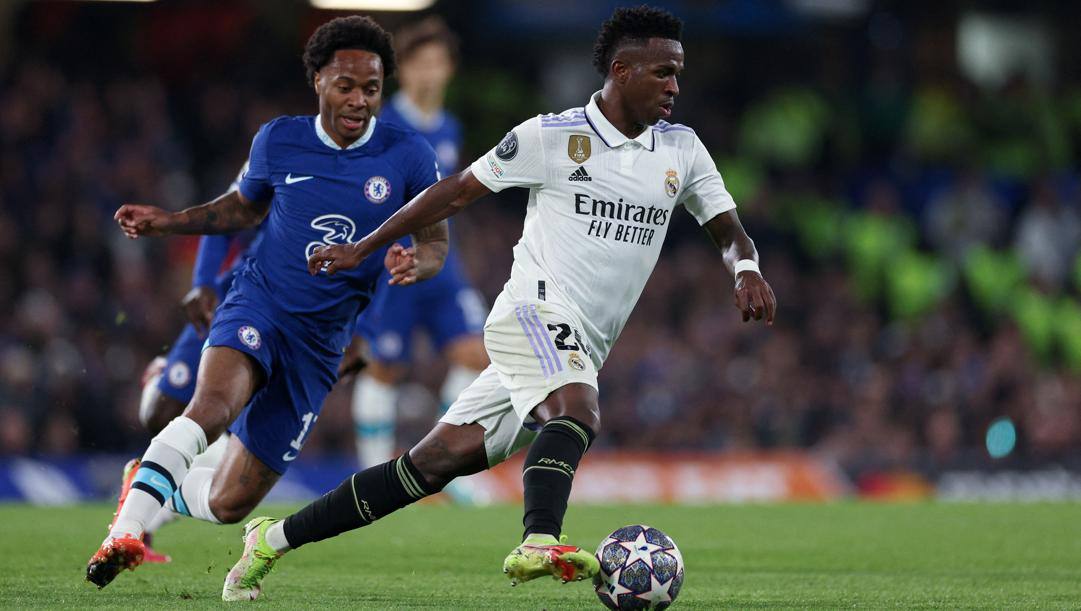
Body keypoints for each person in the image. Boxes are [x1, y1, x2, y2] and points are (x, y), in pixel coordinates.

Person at [222, 5, 776, 601]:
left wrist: (746, 269)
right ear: (621, 70)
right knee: (575, 413)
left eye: (678, 74)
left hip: (583, 342)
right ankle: (540, 539)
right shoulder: (552, 137)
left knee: (426, 467)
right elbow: (456, 191)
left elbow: (728, 229)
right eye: (663, 72)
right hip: (532, 316)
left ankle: (272, 539)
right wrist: (364, 247)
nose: (674, 86)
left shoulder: (682, 149)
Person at [85, 15, 446, 590]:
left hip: (320, 344)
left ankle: (154, 476)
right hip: (259, 304)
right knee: (209, 411)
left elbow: (435, 244)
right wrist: (169, 223)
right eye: (346, 85)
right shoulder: (280, 138)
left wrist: (413, 264)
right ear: (319, 81)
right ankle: (125, 532)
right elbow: (242, 209)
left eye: (371, 89)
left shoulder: (409, 155)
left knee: (230, 503)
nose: (358, 100)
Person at [352, 17, 489, 470]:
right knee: (385, 369)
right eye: (419, 63)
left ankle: (443, 463)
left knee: (477, 355)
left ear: (449, 69)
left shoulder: (449, 126)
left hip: (442, 263)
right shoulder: (381, 126)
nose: (429, 73)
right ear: (403, 71)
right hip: (396, 264)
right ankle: (372, 471)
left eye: (437, 63)